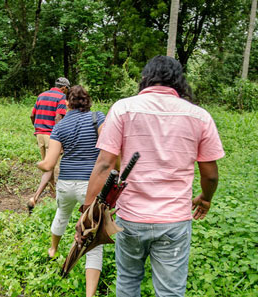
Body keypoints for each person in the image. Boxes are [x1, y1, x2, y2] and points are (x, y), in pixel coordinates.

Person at [76, 55, 225, 297]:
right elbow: (210, 175)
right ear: (179, 82)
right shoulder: (199, 116)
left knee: (128, 281)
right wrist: (205, 198)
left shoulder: (123, 108)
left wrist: (87, 213)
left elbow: (104, 165)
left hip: (130, 218)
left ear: (145, 79)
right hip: (175, 221)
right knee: (170, 291)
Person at [37, 85, 106, 297]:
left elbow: (49, 164)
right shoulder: (98, 118)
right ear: (88, 100)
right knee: (92, 235)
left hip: (66, 182)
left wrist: (38, 163)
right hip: (91, 184)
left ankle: (53, 250)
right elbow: (108, 147)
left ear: (66, 103)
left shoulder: (60, 125)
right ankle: (89, 293)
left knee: (62, 215)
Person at [28, 77, 70, 212]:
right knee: (53, 166)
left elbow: (31, 115)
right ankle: (39, 197)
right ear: (64, 88)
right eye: (67, 89)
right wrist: (60, 137)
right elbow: (58, 117)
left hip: (39, 134)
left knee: (48, 164)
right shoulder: (61, 97)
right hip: (52, 135)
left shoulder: (41, 95)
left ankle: (52, 194)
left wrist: (37, 128)